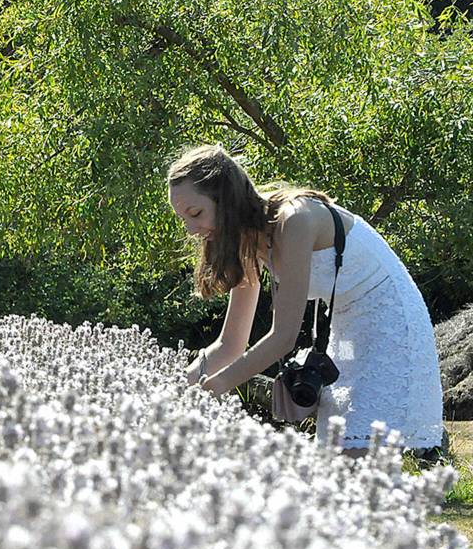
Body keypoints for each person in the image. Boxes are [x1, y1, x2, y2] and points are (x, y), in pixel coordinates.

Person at [168, 144, 443, 455]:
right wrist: (174, 390)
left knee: (353, 458)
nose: (191, 229)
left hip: (392, 327)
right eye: (184, 219)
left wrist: (214, 387)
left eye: (196, 213)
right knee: (336, 458)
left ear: (226, 199)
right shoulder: (246, 243)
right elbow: (231, 344)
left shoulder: (295, 220)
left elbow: (283, 337)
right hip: (347, 332)